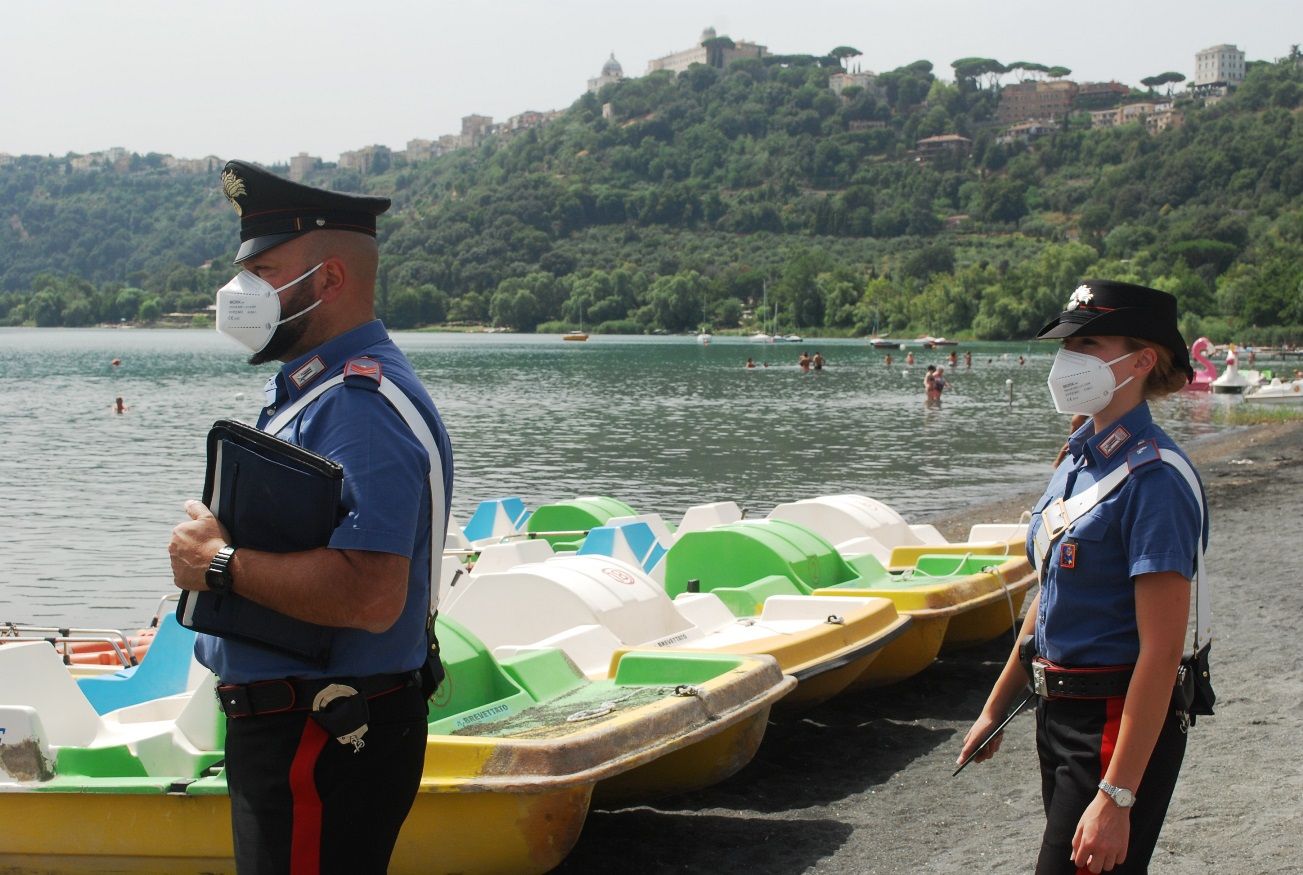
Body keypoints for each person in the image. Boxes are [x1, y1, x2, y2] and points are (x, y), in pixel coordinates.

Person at [168, 160, 454, 874]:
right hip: (309, 725)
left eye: (264, 272)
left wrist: (220, 564)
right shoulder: (318, 388)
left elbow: (372, 594)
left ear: (328, 279)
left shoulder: (358, 405)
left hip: (322, 730)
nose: (242, 292)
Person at [958, 281, 1207, 875]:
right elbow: (1050, 599)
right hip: (1059, 715)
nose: (1069, 358)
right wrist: (996, 707)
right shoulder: (1077, 457)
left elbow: (1161, 652)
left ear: (1142, 360)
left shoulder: (1155, 480)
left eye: (1089, 343)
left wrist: (1117, 798)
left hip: (1116, 720)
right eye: (1067, 344)